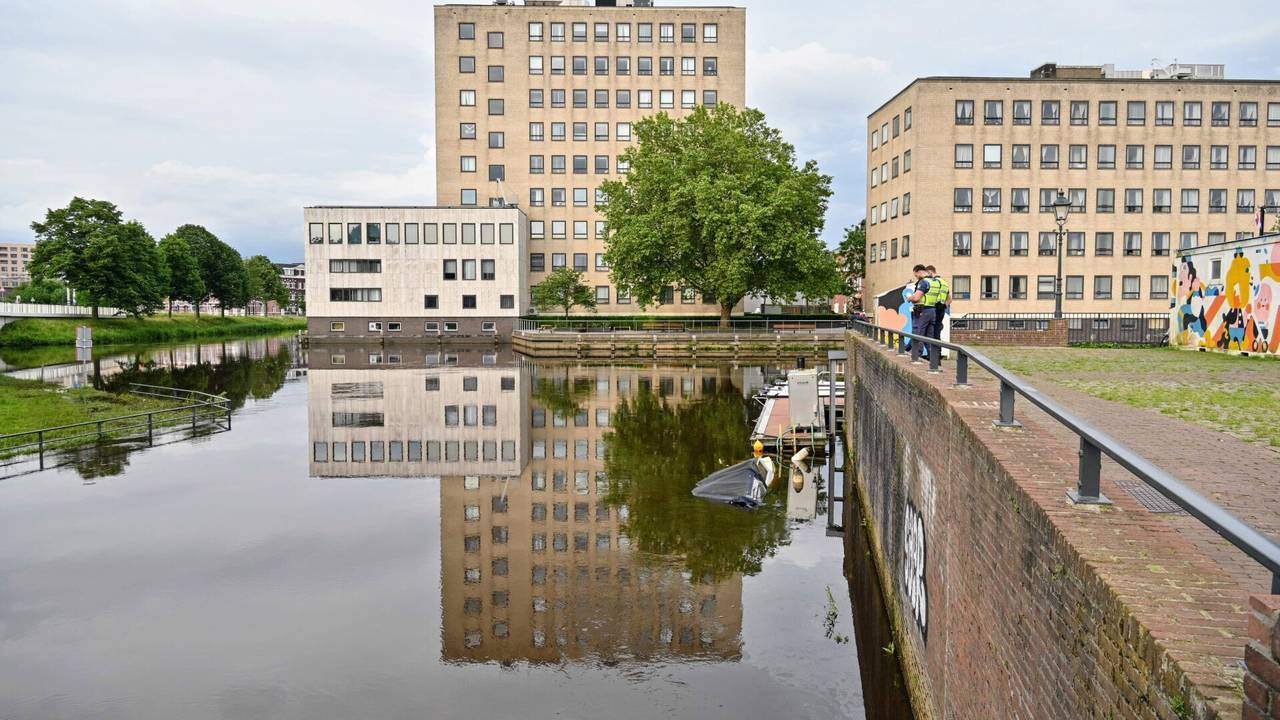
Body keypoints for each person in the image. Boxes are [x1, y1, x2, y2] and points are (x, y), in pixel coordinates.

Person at [906, 264, 938, 365]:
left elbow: (916, 298)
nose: (916, 277)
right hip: (932, 311)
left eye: (916, 275)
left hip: (922, 312)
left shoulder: (923, 282)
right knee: (929, 338)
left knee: (918, 334)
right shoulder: (935, 282)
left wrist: (909, 298)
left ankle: (916, 358)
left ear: (919, 272)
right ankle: (934, 361)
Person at [925, 265, 951, 347]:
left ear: (930, 272)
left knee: (928, 331)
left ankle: (931, 352)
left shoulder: (933, 282)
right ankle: (938, 352)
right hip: (941, 309)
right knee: (937, 331)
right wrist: (943, 306)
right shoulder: (944, 283)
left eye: (927, 274)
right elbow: (950, 299)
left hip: (933, 308)